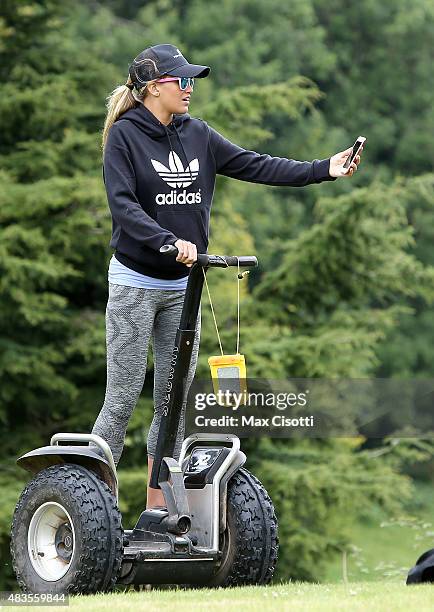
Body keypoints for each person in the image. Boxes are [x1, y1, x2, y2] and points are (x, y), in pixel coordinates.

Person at [92, 43, 363, 510]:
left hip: (184, 288)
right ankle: (93, 505)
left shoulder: (197, 134)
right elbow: (123, 207)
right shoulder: (124, 137)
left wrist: (324, 169)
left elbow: (257, 165)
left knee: (172, 408)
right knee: (120, 401)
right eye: (182, 81)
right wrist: (165, 241)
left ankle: (159, 512)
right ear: (154, 88)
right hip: (136, 284)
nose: (190, 89)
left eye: (192, 80)